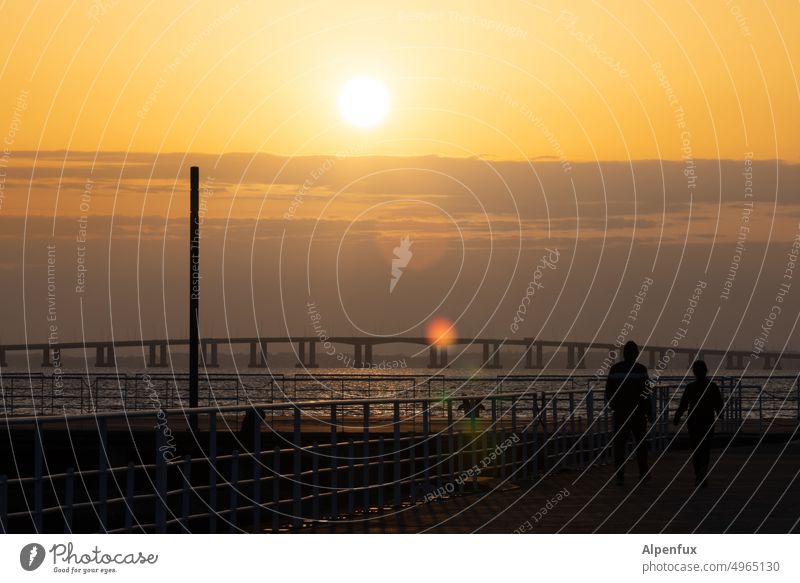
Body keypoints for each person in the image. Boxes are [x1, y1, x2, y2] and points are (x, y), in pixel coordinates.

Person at [605, 341, 653, 486]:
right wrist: (649, 411)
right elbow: (646, 393)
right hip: (637, 413)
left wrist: (614, 406)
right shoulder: (640, 370)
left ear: (623, 354)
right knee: (641, 444)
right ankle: (643, 473)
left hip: (620, 413)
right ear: (636, 354)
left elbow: (608, 391)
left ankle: (620, 475)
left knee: (619, 445)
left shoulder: (614, 369)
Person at [673, 360, 723, 488]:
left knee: (696, 449)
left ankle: (699, 475)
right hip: (707, 421)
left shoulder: (691, 387)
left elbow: (683, 404)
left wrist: (677, 416)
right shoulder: (712, 387)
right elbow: (719, 404)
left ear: (694, 372)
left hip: (694, 422)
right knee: (705, 449)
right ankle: (702, 474)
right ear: (706, 371)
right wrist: (720, 414)